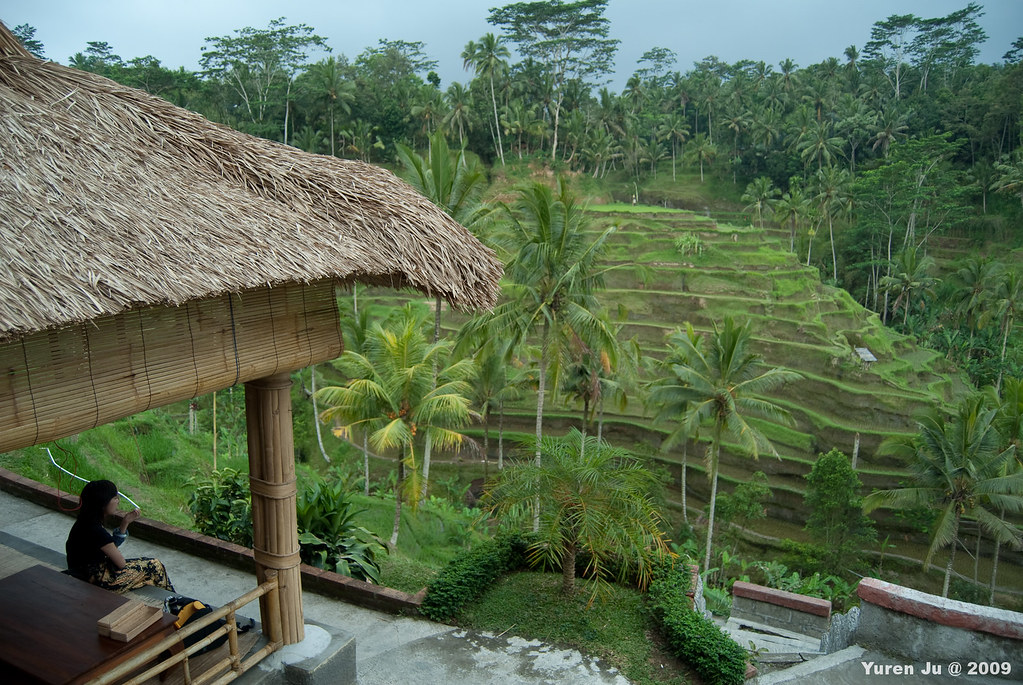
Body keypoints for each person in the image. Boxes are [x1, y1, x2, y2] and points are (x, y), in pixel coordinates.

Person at [65, 479, 174, 593]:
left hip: (82, 573)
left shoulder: (84, 522)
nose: (118, 501)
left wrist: (125, 523)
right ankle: (175, 603)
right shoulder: (97, 531)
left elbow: (108, 547)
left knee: (146, 569)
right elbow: (121, 563)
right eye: (115, 498)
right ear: (103, 502)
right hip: (96, 582)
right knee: (154, 566)